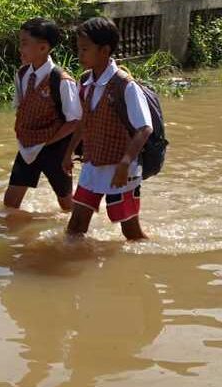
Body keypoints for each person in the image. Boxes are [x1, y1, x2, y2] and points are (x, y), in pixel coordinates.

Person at [62, 17, 153, 241]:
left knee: (131, 232)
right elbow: (84, 122)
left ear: (104, 51)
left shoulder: (125, 86)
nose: (80, 55)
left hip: (121, 170)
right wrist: (68, 153)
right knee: (75, 226)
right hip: (93, 165)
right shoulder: (85, 82)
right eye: (79, 49)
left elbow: (144, 129)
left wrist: (124, 163)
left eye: (85, 49)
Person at [4, 18, 82, 212]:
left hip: (55, 149)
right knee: (10, 203)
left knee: (66, 204)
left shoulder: (61, 80)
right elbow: (21, 108)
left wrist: (48, 142)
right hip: (28, 146)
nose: (20, 48)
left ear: (43, 48)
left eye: (24, 43)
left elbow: (74, 121)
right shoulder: (22, 75)